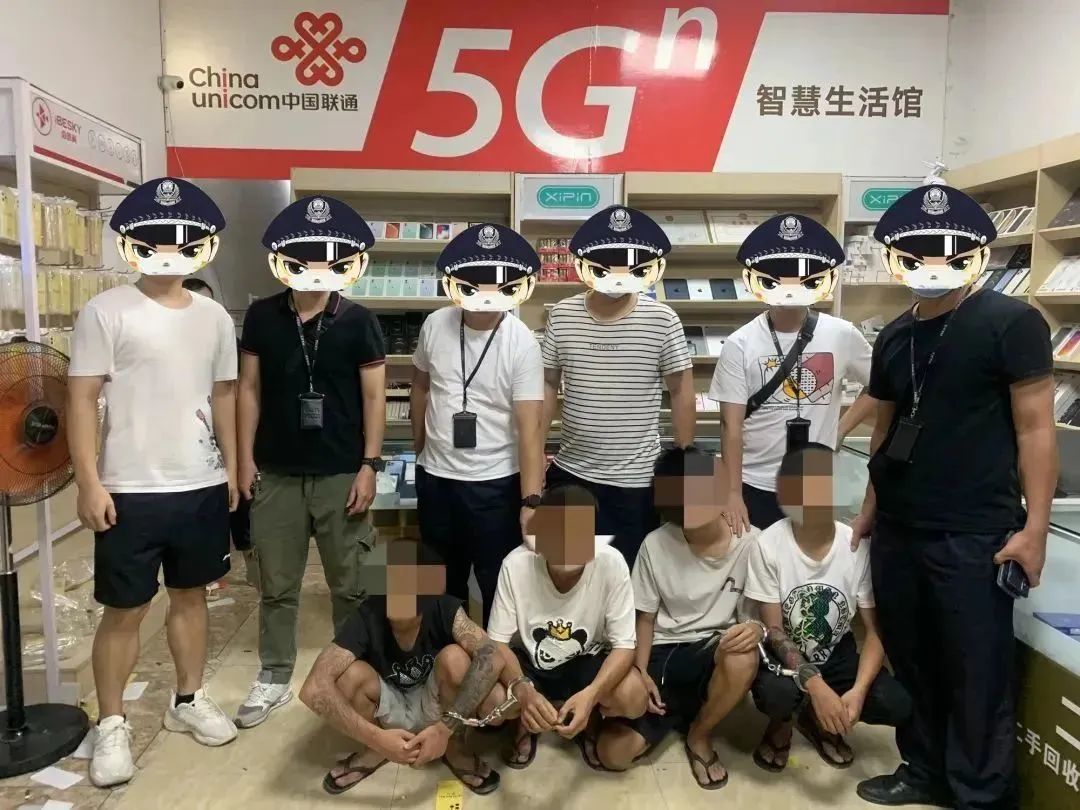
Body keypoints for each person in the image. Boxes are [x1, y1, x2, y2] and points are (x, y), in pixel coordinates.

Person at [851, 181, 1056, 810]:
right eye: (915, 252)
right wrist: (869, 512)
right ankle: (924, 771)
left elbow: (1036, 428)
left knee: (976, 670)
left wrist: (1035, 530)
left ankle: (979, 794)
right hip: (899, 530)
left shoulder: (1011, 323)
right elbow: (885, 432)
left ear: (974, 253)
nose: (931, 264)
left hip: (974, 532)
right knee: (912, 658)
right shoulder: (894, 336)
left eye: (946, 250)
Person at [69, 178, 240, 787]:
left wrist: (232, 466)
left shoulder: (214, 317)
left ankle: (187, 699)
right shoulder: (106, 310)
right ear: (134, 243)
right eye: (157, 238)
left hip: (199, 483)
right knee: (125, 609)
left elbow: (224, 396)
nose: (170, 250)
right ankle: (112, 722)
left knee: (192, 597)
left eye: (183, 239)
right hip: (128, 487)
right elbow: (81, 398)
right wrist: (88, 482)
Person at [235, 196, 386, 729]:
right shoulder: (262, 316)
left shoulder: (359, 321)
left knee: (352, 584)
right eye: (305, 256)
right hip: (275, 472)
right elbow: (248, 390)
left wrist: (370, 464)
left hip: (342, 472)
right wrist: (243, 459)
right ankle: (275, 674)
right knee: (277, 585)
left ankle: (352, 672)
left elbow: (374, 397)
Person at [596, 445, 762, 789]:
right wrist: (641, 673)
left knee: (742, 657)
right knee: (612, 754)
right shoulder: (656, 544)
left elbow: (761, 614)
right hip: (666, 652)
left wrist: (756, 628)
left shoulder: (752, 542)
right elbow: (645, 618)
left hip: (714, 650)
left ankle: (699, 733)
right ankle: (682, 711)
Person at [542, 206, 695, 569]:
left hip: (635, 481)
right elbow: (547, 385)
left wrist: (685, 467)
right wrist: (535, 459)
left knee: (627, 576)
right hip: (571, 472)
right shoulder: (562, 314)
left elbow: (681, 392)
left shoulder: (662, 319)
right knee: (567, 570)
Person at [745, 444, 911, 774]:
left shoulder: (855, 545)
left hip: (836, 654)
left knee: (895, 703)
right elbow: (773, 631)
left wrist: (858, 693)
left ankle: (816, 720)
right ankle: (783, 723)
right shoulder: (768, 544)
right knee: (777, 695)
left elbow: (875, 631)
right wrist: (816, 686)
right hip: (784, 658)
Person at [299, 539, 506, 795]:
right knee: (348, 677)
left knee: (456, 660)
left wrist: (445, 729)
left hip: (437, 706)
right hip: (388, 705)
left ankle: (453, 747)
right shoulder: (367, 614)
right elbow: (313, 688)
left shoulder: (444, 607)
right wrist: (377, 740)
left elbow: (493, 657)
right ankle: (375, 751)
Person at [411, 224, 544, 623]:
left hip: (495, 484)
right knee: (439, 584)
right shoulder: (435, 324)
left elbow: (531, 428)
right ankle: (445, 654)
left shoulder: (521, 341)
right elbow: (420, 386)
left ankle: (493, 658)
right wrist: (421, 450)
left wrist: (530, 501)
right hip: (438, 481)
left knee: (496, 586)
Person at [710, 214, 874, 533]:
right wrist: (731, 493)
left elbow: (879, 386)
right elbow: (730, 425)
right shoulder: (740, 343)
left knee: (806, 559)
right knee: (756, 560)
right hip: (755, 481)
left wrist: (841, 428)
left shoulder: (842, 334)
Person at [486, 484, 648, 771]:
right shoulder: (516, 564)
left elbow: (624, 646)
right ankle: (526, 719)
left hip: (585, 663)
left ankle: (588, 714)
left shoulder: (612, 563)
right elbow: (497, 643)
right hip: (530, 664)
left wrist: (592, 695)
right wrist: (523, 690)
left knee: (634, 696)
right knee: (491, 702)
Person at [182, 276, 258, 589]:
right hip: (187, 446)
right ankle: (205, 571)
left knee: (241, 504)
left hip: (227, 436)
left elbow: (240, 389)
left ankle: (252, 563)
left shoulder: (229, 342)